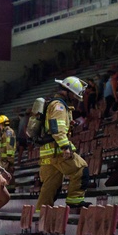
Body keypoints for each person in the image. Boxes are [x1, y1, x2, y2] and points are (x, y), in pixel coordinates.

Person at [36, 77, 91, 211]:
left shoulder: (54, 104)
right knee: (81, 168)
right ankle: (75, 200)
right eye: (74, 94)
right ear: (67, 91)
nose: (75, 98)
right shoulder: (59, 105)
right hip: (57, 150)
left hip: (47, 152)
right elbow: (57, 129)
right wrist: (66, 147)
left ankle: (39, 216)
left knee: (49, 187)